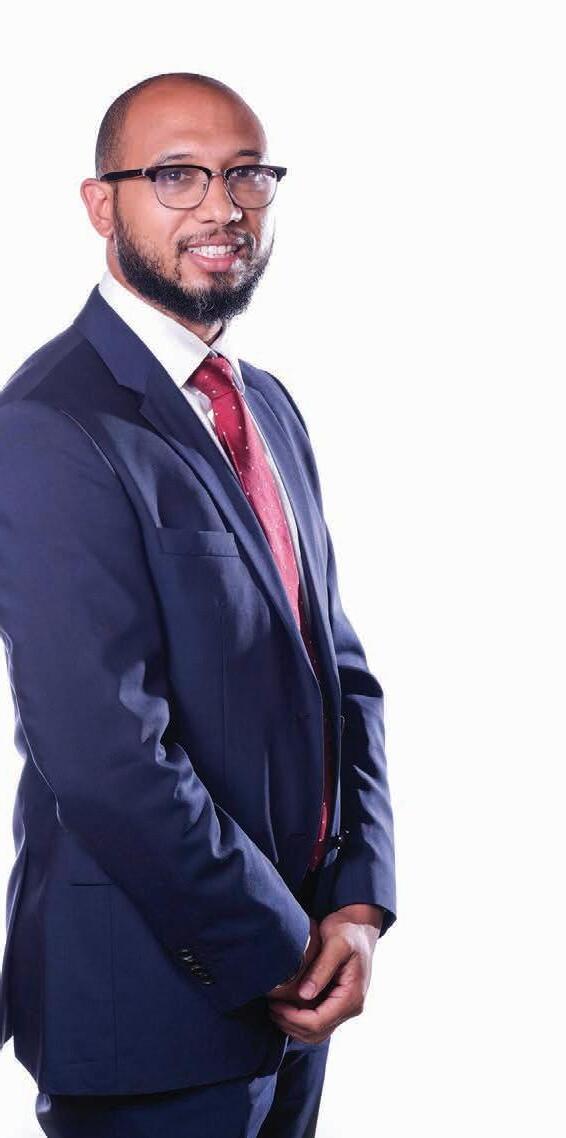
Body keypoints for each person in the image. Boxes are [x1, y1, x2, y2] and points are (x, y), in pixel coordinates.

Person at [0, 71, 397, 1138]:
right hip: (148, 1006)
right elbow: (103, 752)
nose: (222, 207)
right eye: (176, 176)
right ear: (101, 205)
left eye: (245, 175)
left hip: (298, 992)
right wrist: (277, 943)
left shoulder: (262, 403)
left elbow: (337, 672)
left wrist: (356, 902)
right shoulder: (49, 424)